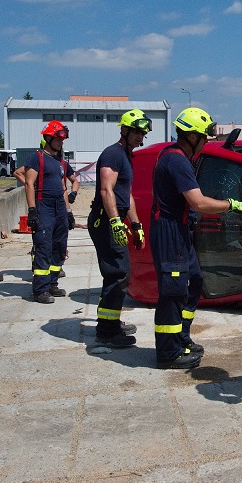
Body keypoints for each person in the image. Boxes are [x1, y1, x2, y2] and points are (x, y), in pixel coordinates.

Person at [149, 107, 242, 369]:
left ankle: (181, 337)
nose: (206, 142)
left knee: (193, 281)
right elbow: (198, 202)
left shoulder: (179, 156)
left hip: (178, 230)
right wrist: (232, 204)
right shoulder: (177, 159)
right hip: (169, 231)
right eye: (204, 137)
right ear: (191, 136)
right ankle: (168, 353)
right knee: (172, 291)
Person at [86, 109, 151, 348]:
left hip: (115, 217)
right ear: (124, 130)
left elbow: (127, 195)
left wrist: (135, 224)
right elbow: (106, 190)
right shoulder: (113, 154)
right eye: (136, 131)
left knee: (119, 272)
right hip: (104, 219)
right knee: (117, 273)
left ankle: (111, 320)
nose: (139, 137)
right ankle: (106, 330)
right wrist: (115, 222)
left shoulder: (126, 156)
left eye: (142, 133)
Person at [23, 120, 73, 303]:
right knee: (44, 247)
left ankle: (52, 284)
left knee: (59, 246)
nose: (61, 142)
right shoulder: (37, 158)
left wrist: (68, 211)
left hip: (59, 206)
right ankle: (40, 289)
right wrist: (32, 210)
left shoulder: (59, 160)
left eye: (63, 139)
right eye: (58, 139)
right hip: (44, 206)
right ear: (48, 138)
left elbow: (63, 187)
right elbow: (29, 183)